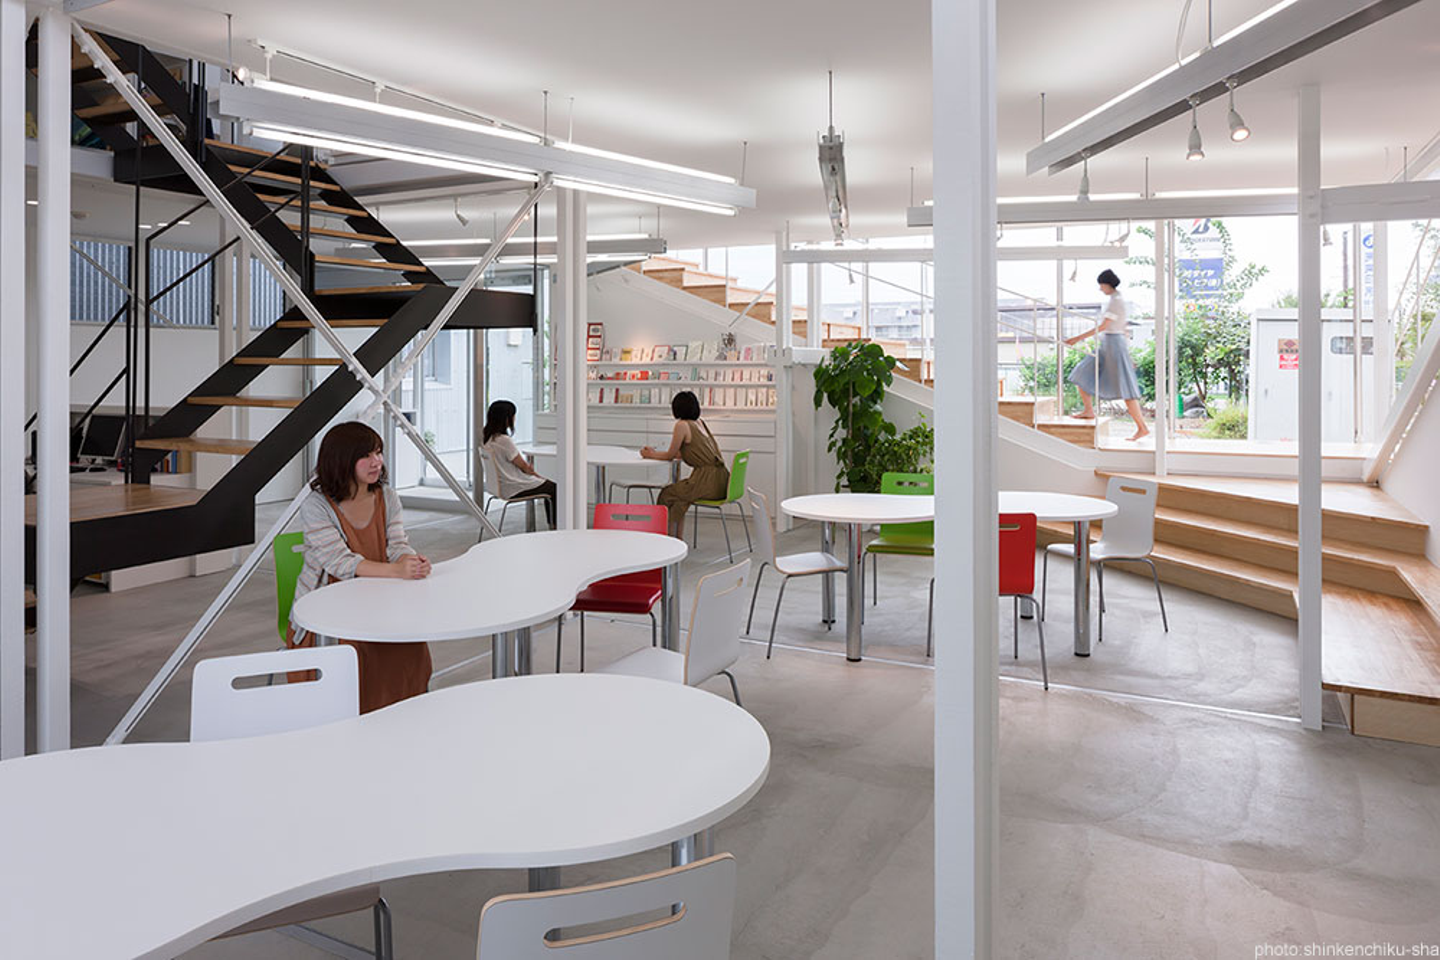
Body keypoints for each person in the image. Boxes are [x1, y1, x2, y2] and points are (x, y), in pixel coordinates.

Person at [288, 421, 432, 713]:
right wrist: (396, 571)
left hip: (379, 601)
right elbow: (339, 562)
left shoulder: (387, 496)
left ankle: (404, 719)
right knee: (358, 652)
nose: (377, 461)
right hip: (327, 611)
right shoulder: (316, 504)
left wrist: (408, 560)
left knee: (412, 645)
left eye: (378, 452)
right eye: (366, 455)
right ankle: (359, 725)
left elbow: (397, 544)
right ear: (342, 460)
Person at [1065, 268, 1150, 441]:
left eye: (1101, 285)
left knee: (1126, 388)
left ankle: (1142, 428)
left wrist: (1076, 338)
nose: (1100, 289)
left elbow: (1104, 326)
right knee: (1081, 373)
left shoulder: (1115, 302)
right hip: (1109, 345)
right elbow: (1123, 328)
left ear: (1107, 284)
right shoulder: (1116, 299)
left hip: (1114, 346)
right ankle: (1089, 410)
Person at [642, 390, 729, 539]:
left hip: (705, 482)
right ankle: (675, 539)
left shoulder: (681, 425)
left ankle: (662, 538)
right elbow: (687, 453)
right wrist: (657, 454)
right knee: (679, 500)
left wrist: (650, 454)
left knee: (666, 494)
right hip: (721, 481)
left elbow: (670, 456)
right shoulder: (700, 422)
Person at [481, 399, 556, 528]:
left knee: (548, 486)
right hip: (514, 487)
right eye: (513, 415)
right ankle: (555, 526)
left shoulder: (487, 438)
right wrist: (538, 476)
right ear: (506, 418)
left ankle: (553, 525)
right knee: (554, 488)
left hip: (501, 487)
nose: (514, 418)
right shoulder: (504, 441)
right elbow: (524, 467)